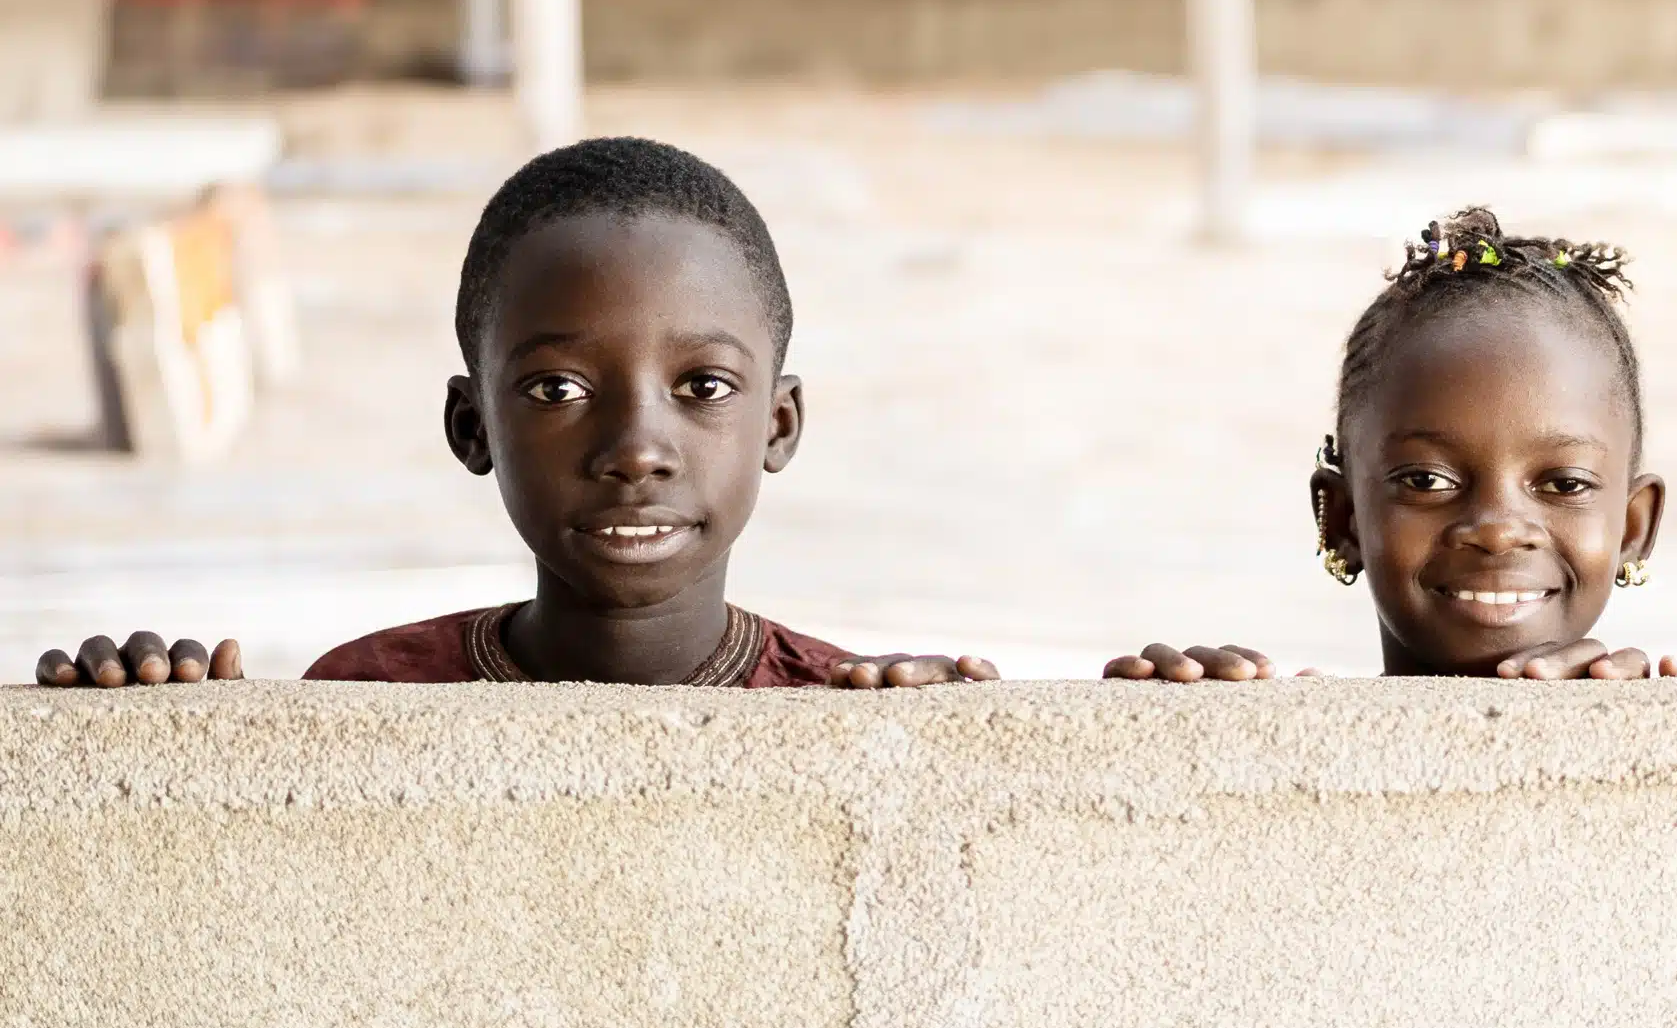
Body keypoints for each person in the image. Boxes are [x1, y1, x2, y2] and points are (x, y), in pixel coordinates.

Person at [36, 138, 995, 690]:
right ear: (472, 429)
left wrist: (1133, 715)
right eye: (558, 391)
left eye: (702, 387)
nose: (636, 451)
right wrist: (156, 731)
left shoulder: (848, 712)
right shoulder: (372, 699)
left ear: (780, 426)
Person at [1107, 208, 1666, 682]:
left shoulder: (1665, 736)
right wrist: (1166, 729)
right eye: (1426, 480)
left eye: (1564, 484)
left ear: (1632, 527)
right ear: (1342, 519)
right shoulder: (1283, 732)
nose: (1497, 529)